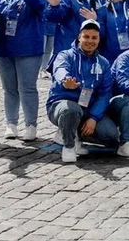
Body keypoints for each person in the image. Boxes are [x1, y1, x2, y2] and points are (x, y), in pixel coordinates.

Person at [0, 0, 58, 141]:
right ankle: (11, 123)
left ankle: (31, 125)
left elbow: (42, 7)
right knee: (9, 89)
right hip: (4, 50)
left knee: (27, 89)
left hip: (29, 51)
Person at [46, 20, 113, 163]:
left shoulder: (103, 63)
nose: (90, 41)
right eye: (86, 37)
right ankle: (69, 145)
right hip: (63, 105)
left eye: (94, 38)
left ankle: (74, 132)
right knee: (70, 110)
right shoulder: (65, 55)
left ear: (99, 39)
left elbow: (105, 93)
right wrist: (65, 80)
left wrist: (94, 118)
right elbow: (60, 69)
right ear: (79, 37)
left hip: (87, 109)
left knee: (110, 135)